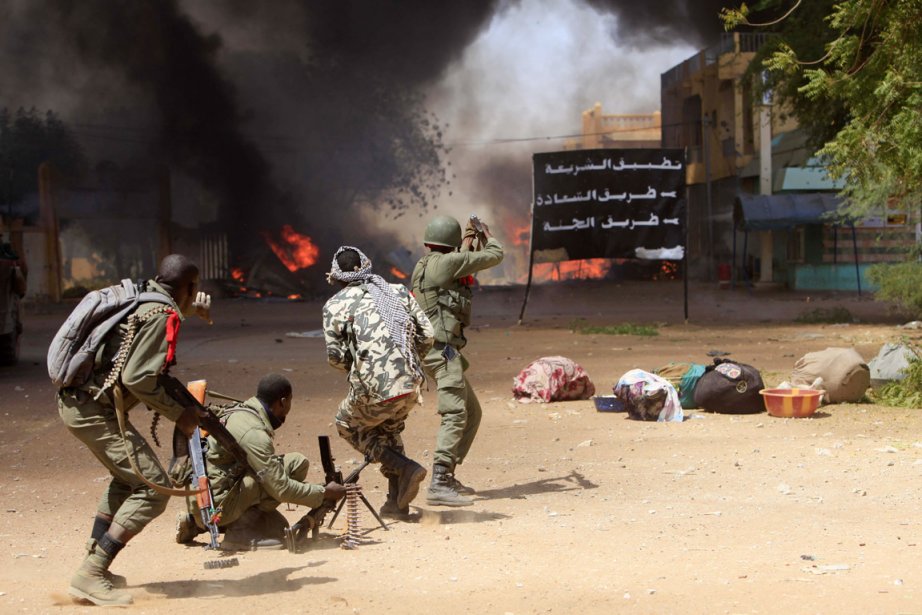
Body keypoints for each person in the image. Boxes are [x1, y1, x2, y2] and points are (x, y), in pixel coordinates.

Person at [57, 254, 211, 606]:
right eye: (195, 288)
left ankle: (94, 566)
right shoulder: (163, 313)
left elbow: (139, 332)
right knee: (153, 490)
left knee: (126, 481)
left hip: (80, 406)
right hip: (94, 412)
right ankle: (91, 573)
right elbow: (138, 378)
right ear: (188, 287)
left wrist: (189, 311)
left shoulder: (145, 296)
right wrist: (180, 414)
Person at [322, 246, 435, 519]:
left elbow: (336, 359)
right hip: (412, 384)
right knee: (388, 430)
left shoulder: (334, 305)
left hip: (373, 389)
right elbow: (428, 334)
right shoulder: (395, 291)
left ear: (337, 276)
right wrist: (403, 363)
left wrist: (364, 369)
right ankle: (396, 505)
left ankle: (404, 467)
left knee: (346, 424)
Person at [175, 374, 347, 549]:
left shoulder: (242, 411)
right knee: (269, 484)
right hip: (215, 507)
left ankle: (194, 523)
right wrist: (324, 493)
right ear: (282, 401)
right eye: (289, 402)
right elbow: (281, 489)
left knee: (296, 463)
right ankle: (240, 533)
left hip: (204, 500)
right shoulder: (253, 433)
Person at [411, 215, 504, 506]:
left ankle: (448, 475)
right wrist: (487, 234)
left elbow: (458, 260)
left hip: (436, 351)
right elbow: (495, 255)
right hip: (443, 352)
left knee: (472, 412)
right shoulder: (448, 264)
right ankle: (439, 481)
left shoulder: (428, 264)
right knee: (455, 414)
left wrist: (466, 240)